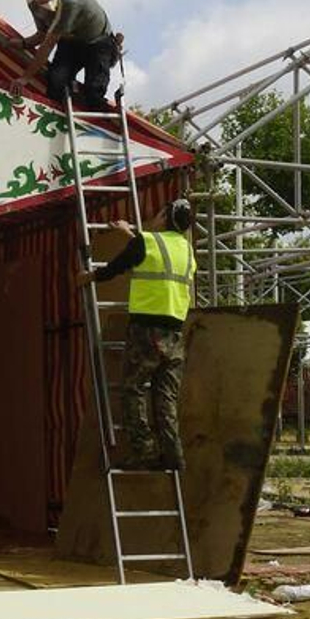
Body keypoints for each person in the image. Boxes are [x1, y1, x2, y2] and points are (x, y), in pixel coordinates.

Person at [77, 198, 196, 471]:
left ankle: (143, 450)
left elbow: (118, 266)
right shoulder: (187, 251)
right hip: (175, 334)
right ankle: (173, 453)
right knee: (164, 395)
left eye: (158, 212)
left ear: (165, 216)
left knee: (133, 389)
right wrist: (128, 234)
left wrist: (89, 277)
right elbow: (150, 254)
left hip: (147, 331)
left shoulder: (148, 242)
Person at [8, 0, 118, 111]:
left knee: (93, 93)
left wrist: (25, 78)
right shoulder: (33, 3)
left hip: (98, 42)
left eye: (50, 0)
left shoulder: (70, 1)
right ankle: (61, 115)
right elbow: (42, 33)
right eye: (44, 3)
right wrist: (25, 44)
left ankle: (100, 123)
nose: (49, 6)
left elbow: (48, 45)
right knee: (56, 81)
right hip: (71, 42)